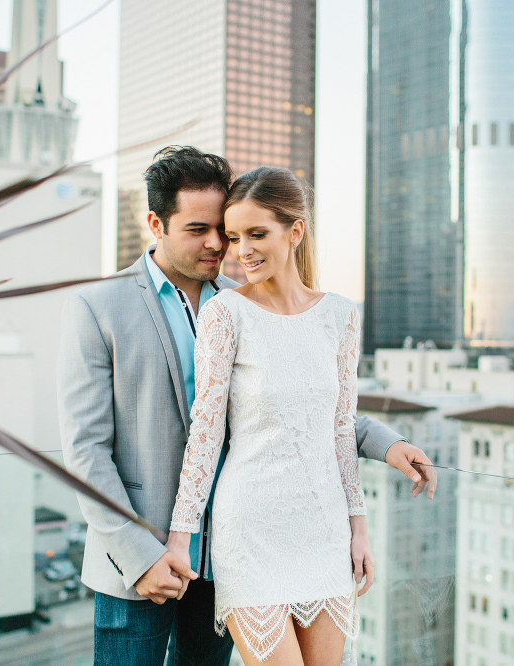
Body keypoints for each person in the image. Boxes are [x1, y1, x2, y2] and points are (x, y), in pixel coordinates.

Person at [57, 146, 437, 665]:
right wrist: (140, 556)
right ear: (155, 223)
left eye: (226, 230)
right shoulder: (98, 307)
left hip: (226, 555)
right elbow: (85, 452)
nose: (219, 244)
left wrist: (387, 443)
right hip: (138, 564)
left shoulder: (246, 300)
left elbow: (303, 407)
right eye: (198, 229)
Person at [167, 166, 384, 665]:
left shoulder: (341, 315)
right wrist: (182, 537)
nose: (242, 252)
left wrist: (359, 528)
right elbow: (205, 433)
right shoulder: (226, 313)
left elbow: (340, 429)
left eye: (257, 234)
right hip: (251, 532)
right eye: (235, 236)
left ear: (296, 232)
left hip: (325, 532)